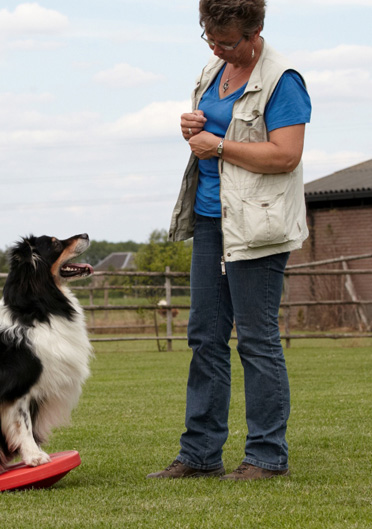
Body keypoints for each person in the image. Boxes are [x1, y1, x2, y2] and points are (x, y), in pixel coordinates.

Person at [147, 0, 311, 481]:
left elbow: (285, 155)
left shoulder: (283, 80)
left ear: (256, 30)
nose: (218, 48)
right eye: (210, 38)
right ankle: (199, 456)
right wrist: (193, 126)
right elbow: (211, 131)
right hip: (209, 219)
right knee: (205, 339)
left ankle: (265, 456)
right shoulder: (212, 70)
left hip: (257, 227)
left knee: (257, 342)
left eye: (228, 41)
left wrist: (217, 145)